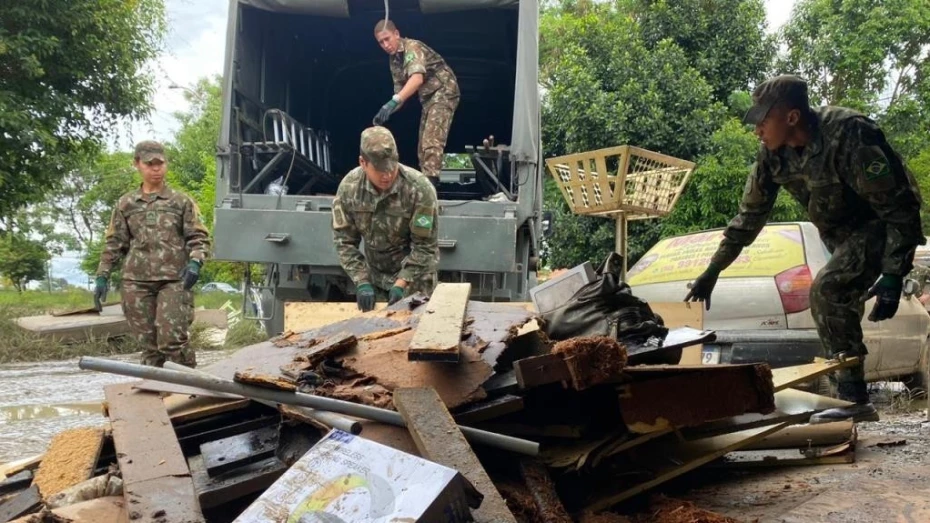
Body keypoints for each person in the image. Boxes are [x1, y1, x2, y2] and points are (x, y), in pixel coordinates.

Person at [684, 75, 925, 424]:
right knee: (836, 302)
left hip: (879, 226)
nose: (758, 131)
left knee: (828, 290)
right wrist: (713, 270)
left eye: (763, 121)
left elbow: (899, 208)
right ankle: (853, 397)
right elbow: (750, 215)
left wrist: (893, 272)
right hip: (838, 234)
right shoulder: (771, 154)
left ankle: (854, 400)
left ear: (792, 117)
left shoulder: (851, 133)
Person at [95, 141, 211, 368]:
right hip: (136, 282)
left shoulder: (181, 201)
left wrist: (196, 261)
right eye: (150, 164)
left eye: (160, 163)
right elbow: (114, 242)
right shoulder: (126, 203)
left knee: (171, 340)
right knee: (149, 345)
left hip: (174, 280)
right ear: (137, 164)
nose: (156, 169)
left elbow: (198, 236)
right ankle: (153, 395)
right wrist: (102, 275)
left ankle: (187, 389)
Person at [332, 126, 439, 312]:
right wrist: (362, 282)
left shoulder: (419, 189)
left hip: (416, 282)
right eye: (380, 170)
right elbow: (344, 242)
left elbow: (425, 246)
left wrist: (401, 283)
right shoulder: (349, 188)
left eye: (391, 167)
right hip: (375, 280)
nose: (387, 175)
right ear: (363, 163)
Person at [371, 19, 460, 184]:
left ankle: (431, 188)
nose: (385, 45)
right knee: (422, 149)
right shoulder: (395, 60)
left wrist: (392, 102)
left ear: (396, 34)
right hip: (428, 98)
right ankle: (427, 183)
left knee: (431, 141)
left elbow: (416, 79)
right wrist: (388, 110)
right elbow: (400, 92)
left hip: (444, 91)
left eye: (387, 39)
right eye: (381, 42)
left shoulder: (412, 48)